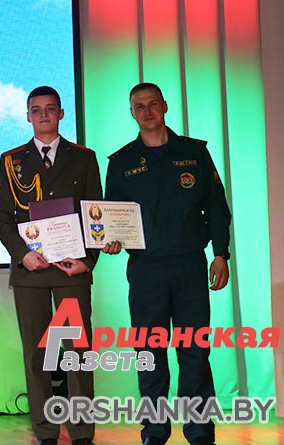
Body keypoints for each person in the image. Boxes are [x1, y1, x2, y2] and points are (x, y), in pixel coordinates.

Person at [102, 83, 231, 445]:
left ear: (165, 106)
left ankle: (199, 430)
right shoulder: (121, 162)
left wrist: (221, 253)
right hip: (146, 271)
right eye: (139, 107)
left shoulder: (194, 152)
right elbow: (112, 216)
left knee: (195, 351)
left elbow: (216, 208)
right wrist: (110, 239)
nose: (147, 112)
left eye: (152, 104)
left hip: (190, 266)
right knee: (148, 353)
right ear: (132, 114)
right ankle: (155, 430)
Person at [0, 86, 101, 445]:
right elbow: (1, 216)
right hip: (30, 270)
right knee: (37, 354)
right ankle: (45, 431)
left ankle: (82, 431)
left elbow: (94, 213)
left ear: (61, 113)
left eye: (50, 108)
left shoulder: (84, 158)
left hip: (72, 271)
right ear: (27, 116)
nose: (43, 115)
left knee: (78, 353)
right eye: (36, 109)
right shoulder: (11, 160)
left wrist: (87, 261)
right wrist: (22, 253)